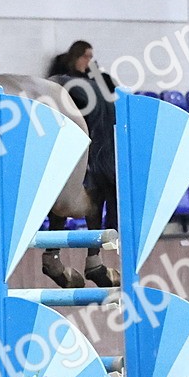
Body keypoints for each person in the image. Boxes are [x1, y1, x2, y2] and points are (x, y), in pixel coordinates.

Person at [48, 40, 119, 236]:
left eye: (91, 57)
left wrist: (95, 72)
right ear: (76, 57)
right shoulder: (64, 78)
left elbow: (110, 96)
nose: (88, 61)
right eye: (85, 56)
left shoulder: (96, 76)